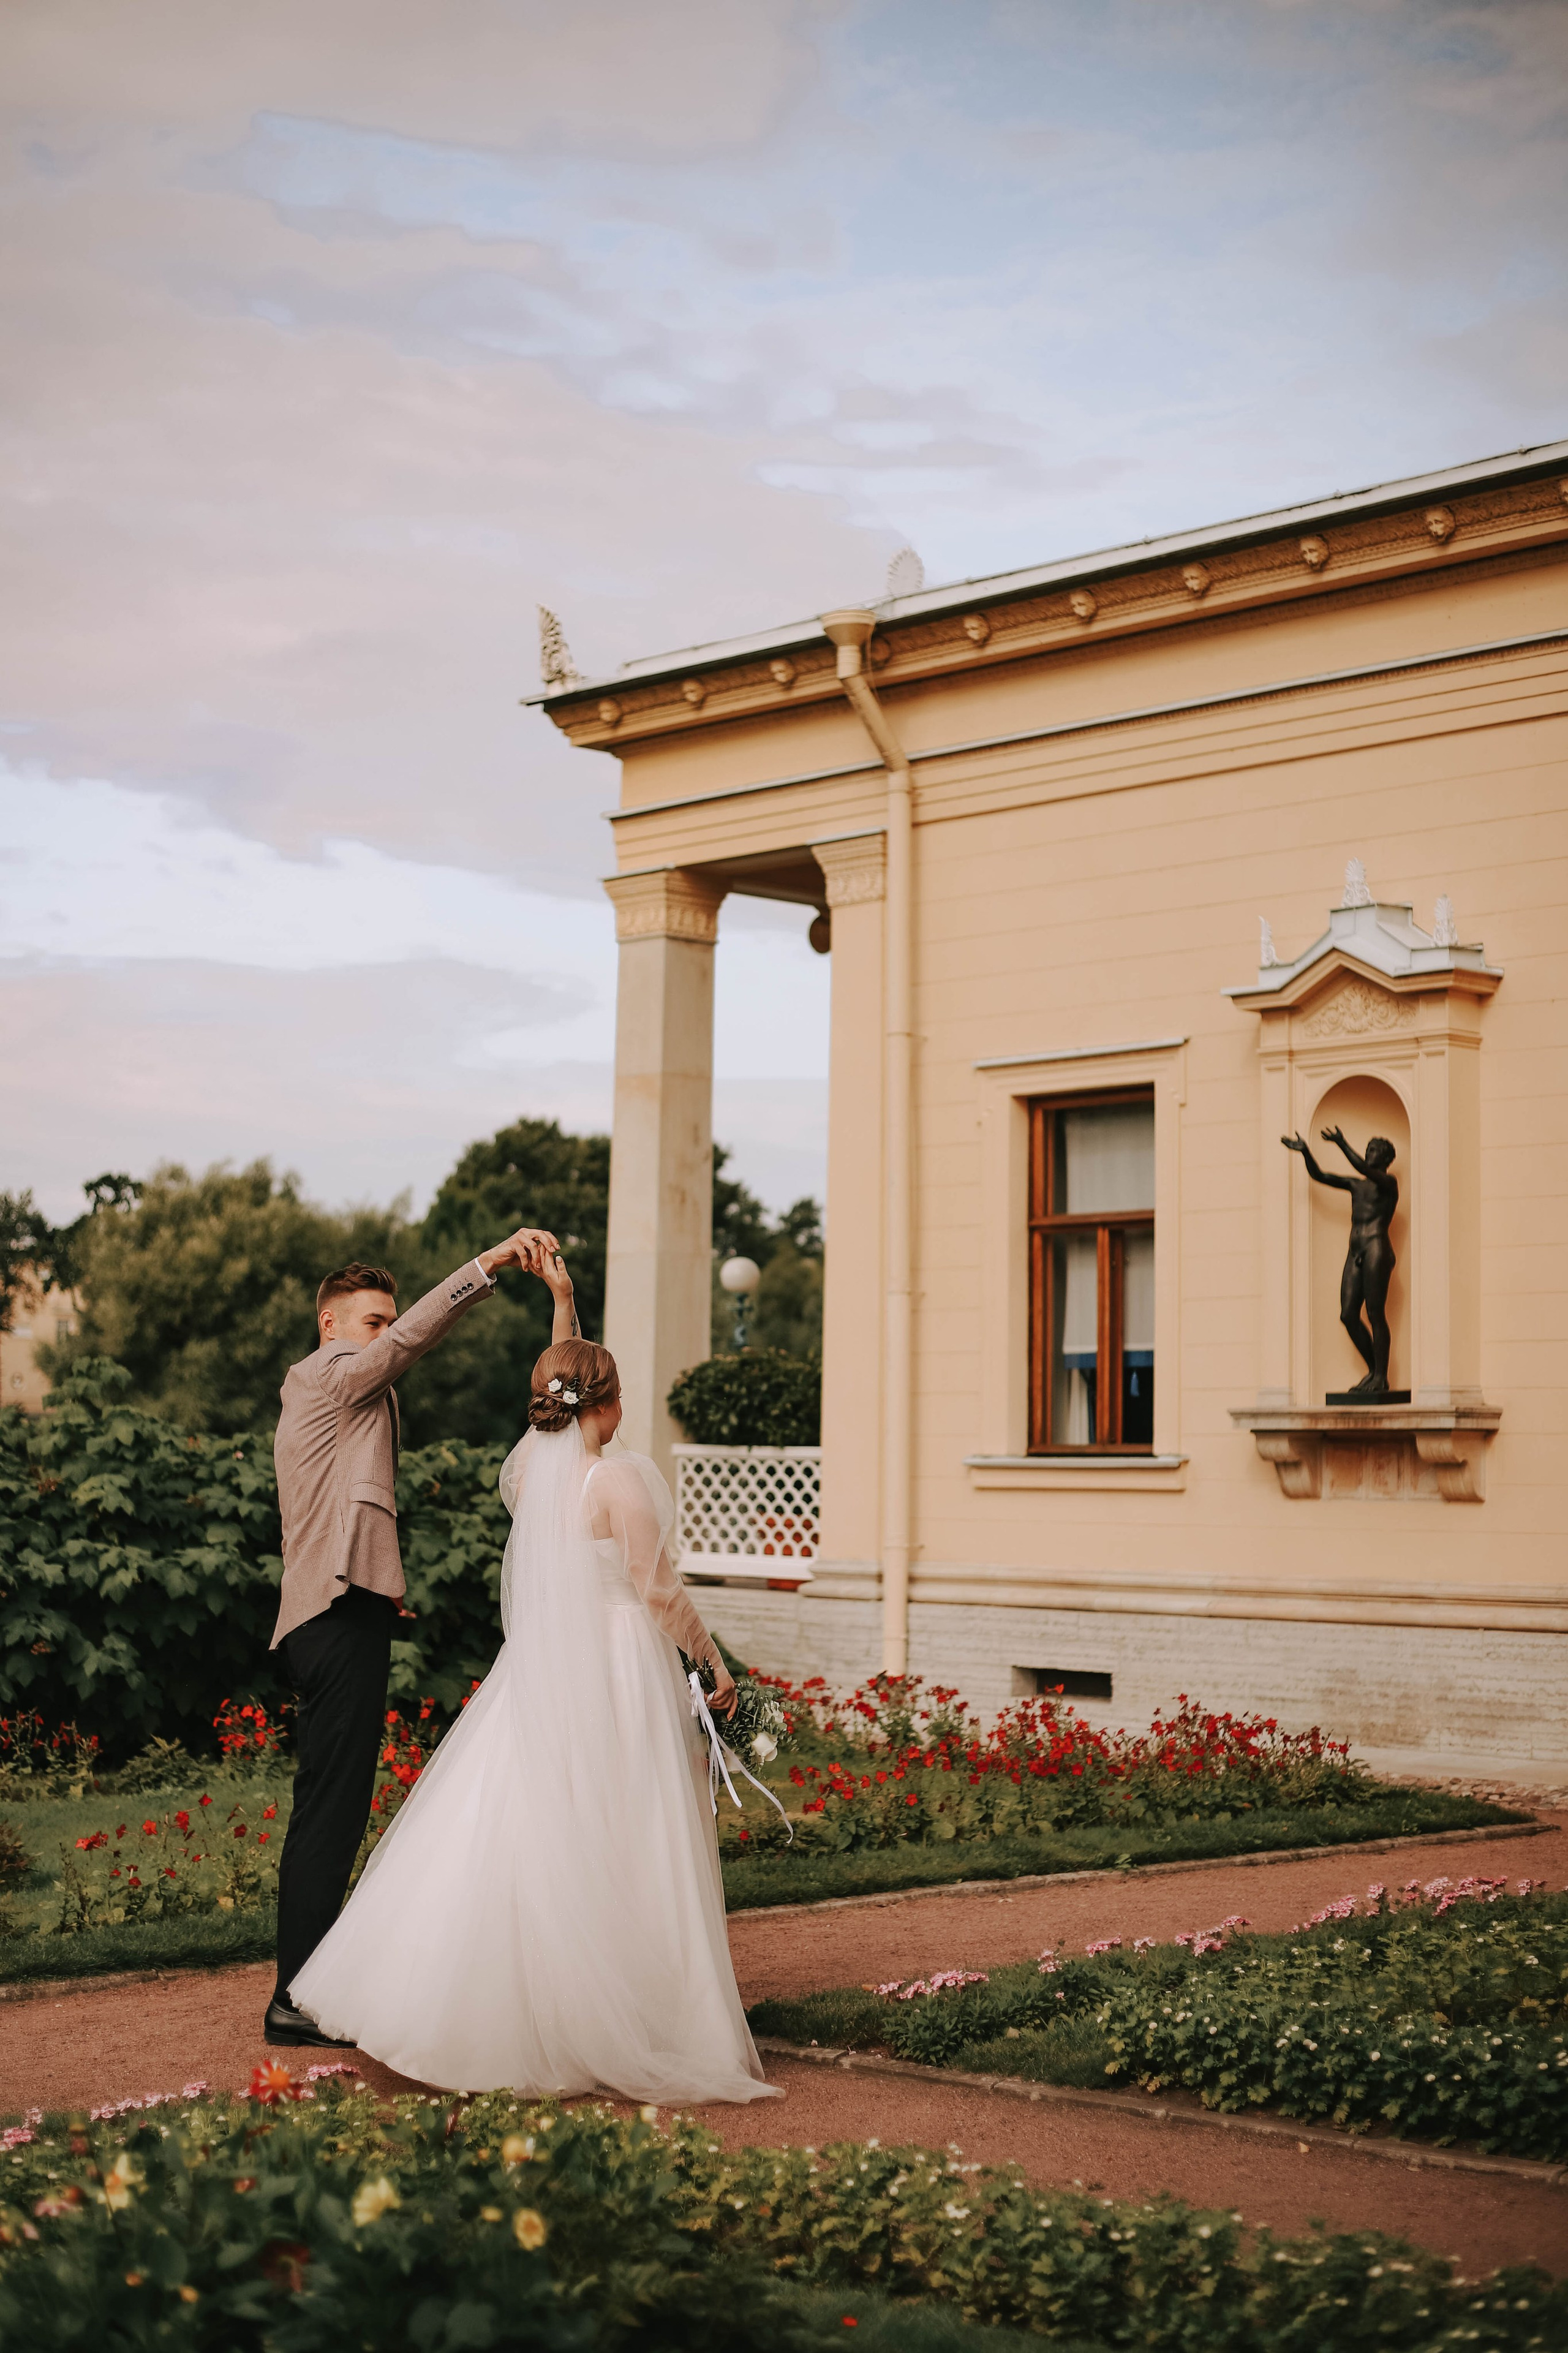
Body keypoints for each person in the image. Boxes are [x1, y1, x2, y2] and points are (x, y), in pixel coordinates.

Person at [288, 1263, 778, 2106]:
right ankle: (639, 2011)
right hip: (620, 1666)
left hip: (547, 1669)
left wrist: (561, 1307)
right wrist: (713, 1661)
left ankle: (466, 2001)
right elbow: (657, 1587)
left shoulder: (532, 1474)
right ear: (611, 1400)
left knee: (526, 1822)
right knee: (627, 1827)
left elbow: (563, 1384)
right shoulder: (617, 1477)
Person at [265, 1226, 565, 2050]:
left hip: (347, 1611)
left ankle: (310, 1986)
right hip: (332, 1612)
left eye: (387, 1317)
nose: (384, 1329)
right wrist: (489, 1265)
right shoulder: (326, 1374)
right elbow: (396, 1349)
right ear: (329, 1323)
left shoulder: (352, 1389)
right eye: (370, 1319)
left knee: (335, 1802)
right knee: (331, 1810)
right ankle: (296, 1998)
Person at [1281, 1123, 1399, 1395]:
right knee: (1348, 1315)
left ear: (1385, 1159)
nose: (1369, 1153)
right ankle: (1374, 1372)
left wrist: (1342, 1143)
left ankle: (1381, 1376)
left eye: (1374, 1151)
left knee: (1375, 1314)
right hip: (1356, 1250)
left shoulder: (1389, 1184)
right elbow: (1321, 1176)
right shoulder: (1356, 1186)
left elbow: (1363, 1169)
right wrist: (1305, 1152)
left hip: (1376, 1249)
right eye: (1368, 1149)